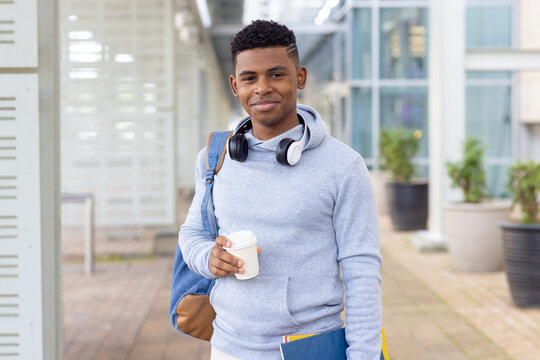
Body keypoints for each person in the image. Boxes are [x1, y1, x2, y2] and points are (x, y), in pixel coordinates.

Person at [179, 20, 382, 360]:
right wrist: (208, 258)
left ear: (300, 77)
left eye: (275, 74)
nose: (262, 88)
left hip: (311, 349)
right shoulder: (215, 157)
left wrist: (364, 355)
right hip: (229, 348)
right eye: (249, 78)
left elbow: (362, 273)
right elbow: (192, 233)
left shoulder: (343, 166)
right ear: (234, 85)